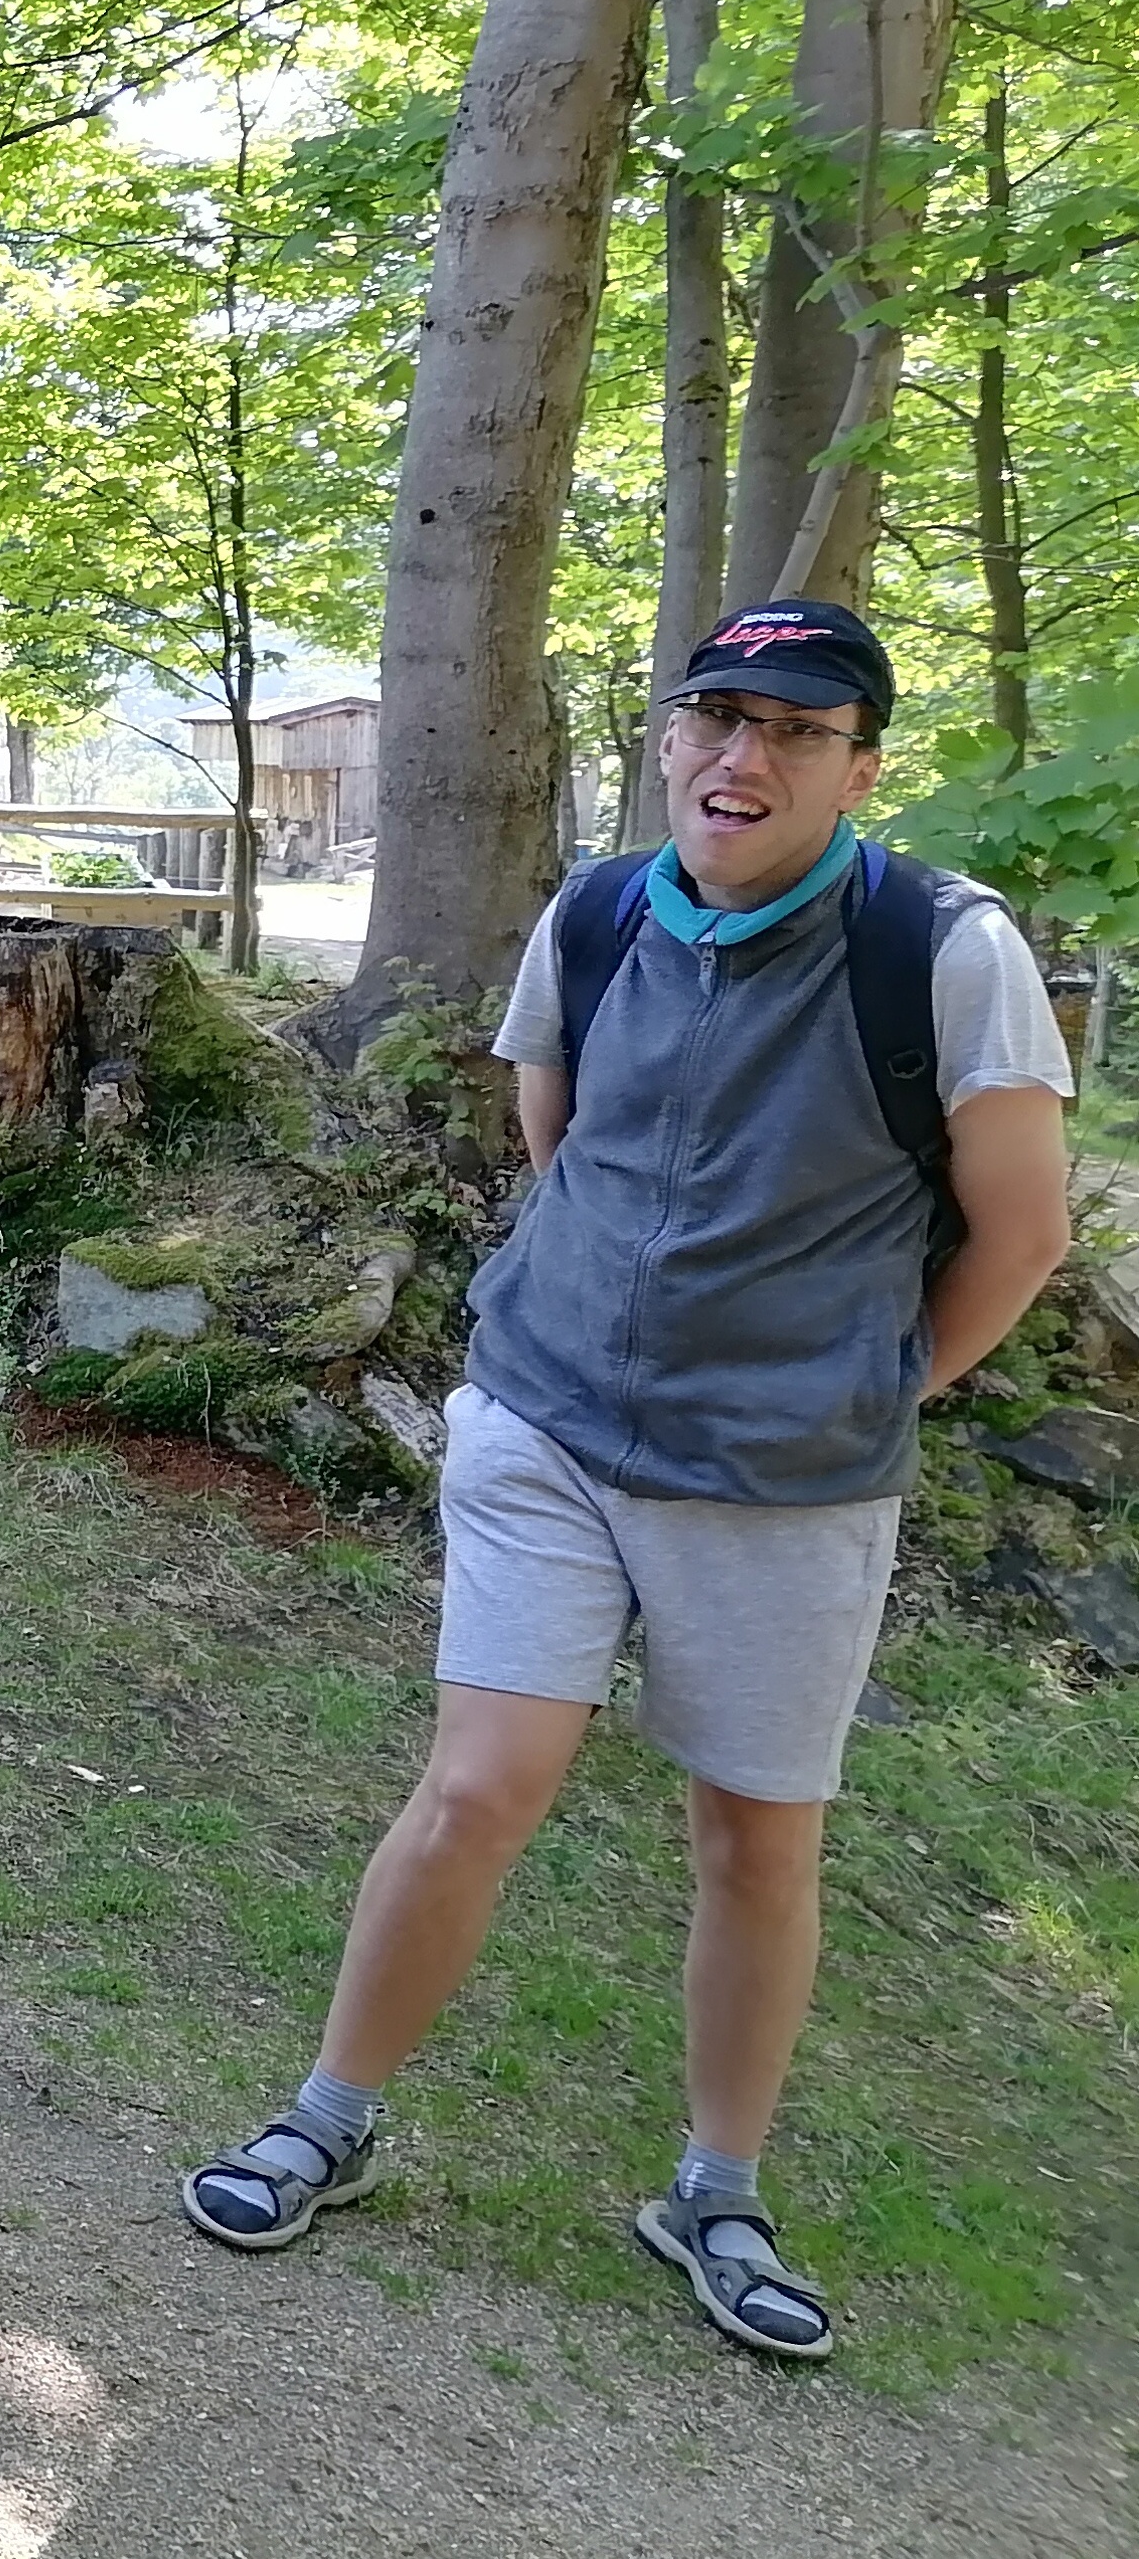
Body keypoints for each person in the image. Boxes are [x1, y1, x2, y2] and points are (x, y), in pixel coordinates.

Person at [178, 598, 1074, 2362]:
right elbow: (561, 1139)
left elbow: (1025, 1233)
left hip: (787, 1479)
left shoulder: (946, 951)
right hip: (548, 1418)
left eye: (798, 730)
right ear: (672, 739)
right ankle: (328, 2121)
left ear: (860, 770)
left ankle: (716, 2191)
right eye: (718, 717)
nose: (745, 757)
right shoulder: (594, 913)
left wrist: (875, 1383)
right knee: (477, 1786)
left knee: (756, 1836)